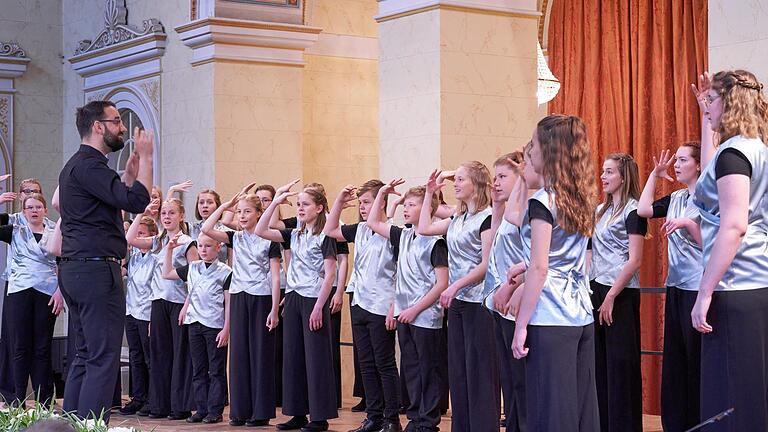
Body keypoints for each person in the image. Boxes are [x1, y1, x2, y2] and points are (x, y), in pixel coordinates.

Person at [57, 100, 153, 422]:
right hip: (97, 270)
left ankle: (72, 427)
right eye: (116, 121)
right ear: (98, 127)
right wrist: (148, 158)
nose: (123, 128)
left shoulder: (74, 165)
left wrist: (126, 178)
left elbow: (110, 202)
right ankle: (90, 428)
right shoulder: (92, 166)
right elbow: (138, 200)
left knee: (85, 356)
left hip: (75, 269)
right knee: (103, 358)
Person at [511, 115, 600, 432]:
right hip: (580, 314)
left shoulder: (543, 201)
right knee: (580, 409)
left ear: (547, 150)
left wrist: (521, 324)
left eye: (533, 144)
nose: (529, 151)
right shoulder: (581, 197)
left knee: (551, 411)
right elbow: (565, 257)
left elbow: (540, 266)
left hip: (549, 315)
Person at [690, 69, 768, 431]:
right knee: (749, 393)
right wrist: (705, 117)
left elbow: (733, 225)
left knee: (731, 398)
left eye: (713, 99)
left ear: (730, 102)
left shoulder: (735, 154)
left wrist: (704, 291)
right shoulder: (754, 149)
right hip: (756, 285)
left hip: (734, 286)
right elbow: (710, 172)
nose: (709, 106)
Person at [418, 162, 498, 432]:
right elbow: (423, 228)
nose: (455, 183)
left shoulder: (487, 217)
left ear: (475, 183)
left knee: (480, 372)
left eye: (460, 179)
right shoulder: (457, 217)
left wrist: (454, 285)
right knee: (459, 371)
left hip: (479, 302)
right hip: (459, 302)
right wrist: (430, 192)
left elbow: (486, 264)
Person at [366, 181, 448, 432]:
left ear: (427, 209)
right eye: (406, 204)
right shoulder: (403, 235)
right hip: (404, 314)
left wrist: (415, 309)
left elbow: (441, 283)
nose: (405, 209)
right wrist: (383, 194)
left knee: (427, 369)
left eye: (412, 205)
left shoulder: (437, 242)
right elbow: (373, 223)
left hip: (425, 316)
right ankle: (414, 416)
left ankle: (428, 420)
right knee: (410, 368)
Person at [255, 185, 338, 432]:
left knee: (316, 359)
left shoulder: (325, 236)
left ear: (319, 208)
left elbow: (330, 273)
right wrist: (276, 201)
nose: (300, 208)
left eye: (306, 204)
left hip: (314, 298)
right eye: (298, 204)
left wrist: (319, 307)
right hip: (293, 296)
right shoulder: (294, 234)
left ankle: (320, 417)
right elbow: (261, 229)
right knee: (293, 357)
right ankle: (297, 413)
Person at [202, 185, 282, 427]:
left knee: (260, 354)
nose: (243, 216)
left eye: (247, 211)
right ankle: (240, 411)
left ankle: (260, 412)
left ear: (259, 213)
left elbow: (276, 276)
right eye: (240, 212)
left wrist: (275, 309)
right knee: (239, 355)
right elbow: (207, 228)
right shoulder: (235, 237)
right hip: (238, 295)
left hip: (261, 297)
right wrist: (225, 206)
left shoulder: (269, 240)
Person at [325, 180, 401, 432]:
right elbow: (329, 229)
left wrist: (394, 306)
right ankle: (374, 416)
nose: (363, 208)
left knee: (384, 363)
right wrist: (338, 200)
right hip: (359, 301)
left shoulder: (393, 232)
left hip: (382, 304)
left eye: (367, 202)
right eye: (360, 204)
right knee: (366, 363)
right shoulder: (359, 230)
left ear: (381, 203)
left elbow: (401, 274)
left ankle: (392, 419)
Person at [636, 144, 703, 431]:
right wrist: (655, 174)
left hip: (698, 288)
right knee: (675, 360)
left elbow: (713, 245)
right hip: (675, 287)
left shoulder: (708, 198)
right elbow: (643, 209)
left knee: (695, 361)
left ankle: (699, 421)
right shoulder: (676, 196)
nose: (677, 164)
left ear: (699, 165)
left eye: (683, 160)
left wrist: (688, 222)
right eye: (676, 160)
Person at [589, 153, 647, 432]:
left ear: (623, 177)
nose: (603, 176)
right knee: (599, 364)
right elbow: (591, 251)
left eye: (609, 172)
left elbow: (635, 259)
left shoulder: (634, 211)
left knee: (620, 365)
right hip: (597, 288)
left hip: (621, 293)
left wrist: (611, 295)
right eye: (603, 171)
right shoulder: (599, 210)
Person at [126, 198, 198, 420]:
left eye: (172, 213)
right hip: (157, 301)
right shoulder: (157, 241)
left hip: (178, 302)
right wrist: (141, 211)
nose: (167, 217)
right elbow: (129, 238)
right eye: (164, 213)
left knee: (178, 355)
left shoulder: (187, 242)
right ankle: (160, 405)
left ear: (181, 216)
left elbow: (195, 279)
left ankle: (180, 406)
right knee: (159, 355)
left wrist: (188, 305)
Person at [0, 193, 64, 406]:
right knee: (20, 347)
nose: (34, 210)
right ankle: (17, 400)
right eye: (30, 207)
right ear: (23, 211)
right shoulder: (14, 230)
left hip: (47, 292)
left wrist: (60, 292)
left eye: (38, 207)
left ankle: (44, 402)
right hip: (19, 291)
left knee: (42, 348)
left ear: (46, 210)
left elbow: (65, 262)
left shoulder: (56, 231)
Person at [163, 232, 232, 425]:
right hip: (195, 324)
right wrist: (169, 250)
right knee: (198, 368)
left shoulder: (226, 271)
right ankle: (201, 408)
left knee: (216, 369)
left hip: (215, 325)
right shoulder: (192, 268)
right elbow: (166, 274)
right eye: (200, 246)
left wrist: (226, 328)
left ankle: (215, 410)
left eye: (208, 246)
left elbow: (228, 302)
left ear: (218, 248)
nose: (203, 249)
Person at [481, 151, 527, 431]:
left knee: (519, 378)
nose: (495, 183)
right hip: (498, 301)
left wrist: (515, 288)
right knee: (508, 378)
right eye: (494, 177)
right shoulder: (501, 213)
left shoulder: (525, 211)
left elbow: (533, 257)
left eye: (502, 177)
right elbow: (492, 257)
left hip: (516, 301)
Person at [119, 216, 159, 416]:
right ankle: (138, 396)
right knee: (135, 356)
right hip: (131, 310)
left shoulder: (156, 257)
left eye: (142, 234)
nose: (138, 238)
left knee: (149, 357)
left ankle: (153, 398)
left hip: (147, 312)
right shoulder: (134, 257)